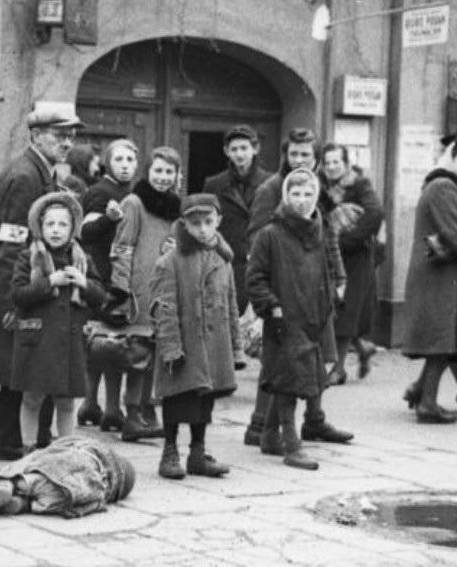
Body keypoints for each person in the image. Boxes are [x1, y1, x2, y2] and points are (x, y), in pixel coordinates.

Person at [0, 103, 83, 460]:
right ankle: (9, 442)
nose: (67, 143)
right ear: (36, 135)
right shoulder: (26, 177)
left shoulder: (40, 172)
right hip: (24, 295)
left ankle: (30, 439)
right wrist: (13, 304)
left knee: (31, 367)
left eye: (71, 136)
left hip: (35, 291)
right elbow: (10, 249)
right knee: (22, 368)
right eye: (59, 135)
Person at [243, 128, 353, 446]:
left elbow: (327, 238)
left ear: (316, 160)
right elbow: (258, 241)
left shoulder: (318, 191)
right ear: (285, 156)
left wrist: (339, 280)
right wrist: (269, 296)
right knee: (281, 363)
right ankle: (261, 425)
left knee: (315, 358)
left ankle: (314, 420)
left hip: (314, 293)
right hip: (284, 291)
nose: (300, 160)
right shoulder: (273, 189)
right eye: (294, 154)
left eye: (306, 155)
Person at [400, 134, 457, 424]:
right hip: (439, 273)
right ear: (451, 157)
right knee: (442, 338)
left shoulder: (440, 184)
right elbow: (452, 231)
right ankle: (427, 404)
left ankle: (420, 391)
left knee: (442, 337)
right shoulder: (445, 186)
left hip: (438, 270)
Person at [150, 193, 239, 479]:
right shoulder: (170, 261)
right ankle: (170, 450)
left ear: (218, 221)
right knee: (177, 397)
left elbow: (231, 303)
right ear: (183, 224)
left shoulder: (223, 259)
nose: (202, 229)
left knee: (205, 399)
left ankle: (198, 452)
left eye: (208, 222)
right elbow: (164, 307)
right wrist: (171, 347)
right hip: (183, 343)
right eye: (195, 223)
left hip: (214, 345)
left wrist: (235, 348)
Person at [10, 192, 106, 448]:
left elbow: (100, 297)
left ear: (73, 227)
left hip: (70, 343)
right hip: (37, 342)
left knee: (65, 401)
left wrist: (83, 282)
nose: (56, 230)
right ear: (39, 227)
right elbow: (18, 294)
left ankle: (66, 449)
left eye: (63, 224)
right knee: (32, 398)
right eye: (49, 224)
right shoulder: (27, 257)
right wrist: (48, 282)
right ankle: (28, 447)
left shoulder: (82, 259)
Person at [111, 146, 182, 442]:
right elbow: (122, 248)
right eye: (158, 171)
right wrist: (121, 290)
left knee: (153, 354)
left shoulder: (175, 207)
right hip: (138, 289)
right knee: (137, 354)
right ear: (148, 172)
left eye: (169, 172)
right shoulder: (134, 203)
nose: (163, 178)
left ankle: (145, 409)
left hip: (162, 290)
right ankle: (131, 416)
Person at [77, 139, 139, 430]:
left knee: (112, 343)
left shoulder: (132, 192)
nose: (125, 165)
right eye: (119, 160)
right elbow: (85, 232)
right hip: (104, 275)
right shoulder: (100, 191)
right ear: (108, 163)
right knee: (105, 343)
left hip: (124, 275)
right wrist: (107, 219)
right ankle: (100, 405)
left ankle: (99, 405)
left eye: (130, 160)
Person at [320, 143, 384, 383]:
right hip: (333, 256)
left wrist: (348, 239)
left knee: (346, 309)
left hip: (355, 257)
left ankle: (338, 369)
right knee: (337, 307)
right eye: (327, 163)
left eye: (336, 162)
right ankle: (362, 347)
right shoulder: (323, 187)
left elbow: (375, 213)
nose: (332, 167)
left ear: (346, 164)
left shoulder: (359, 185)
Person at [0, 435, 135, 519]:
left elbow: (51, 448)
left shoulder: (82, 445)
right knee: (49, 498)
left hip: (53, 462)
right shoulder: (102, 486)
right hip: (69, 489)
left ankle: (7, 484)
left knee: (25, 470)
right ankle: (23, 505)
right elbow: (94, 504)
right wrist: (77, 511)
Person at [202, 124, 272, 317]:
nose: (239, 154)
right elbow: (206, 223)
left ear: (255, 149)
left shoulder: (271, 183)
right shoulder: (214, 184)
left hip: (260, 265)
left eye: (244, 148)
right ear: (226, 152)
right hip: (226, 262)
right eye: (234, 149)